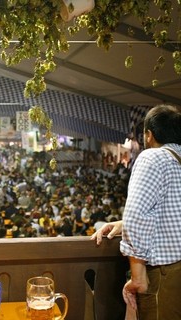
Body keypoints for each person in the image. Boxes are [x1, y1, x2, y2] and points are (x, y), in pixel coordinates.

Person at [91, 104, 181, 319]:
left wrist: (138, 275)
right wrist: (124, 224)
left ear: (148, 135)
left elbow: (138, 216)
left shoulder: (152, 157)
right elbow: (172, 210)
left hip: (165, 272)